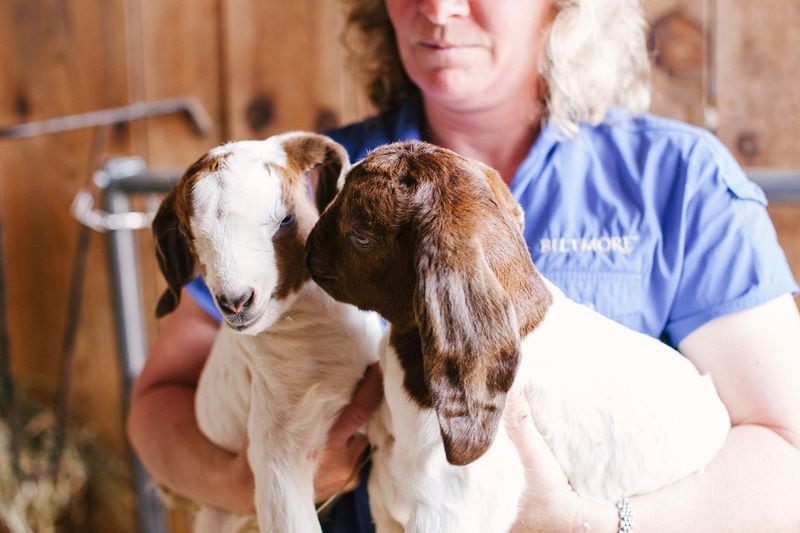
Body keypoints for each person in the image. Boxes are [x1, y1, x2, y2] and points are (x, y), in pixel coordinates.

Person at [128, 0, 800, 531]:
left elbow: (786, 459)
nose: (438, 8)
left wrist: (597, 525)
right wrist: (257, 482)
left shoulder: (678, 180)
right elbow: (158, 404)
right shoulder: (316, 181)